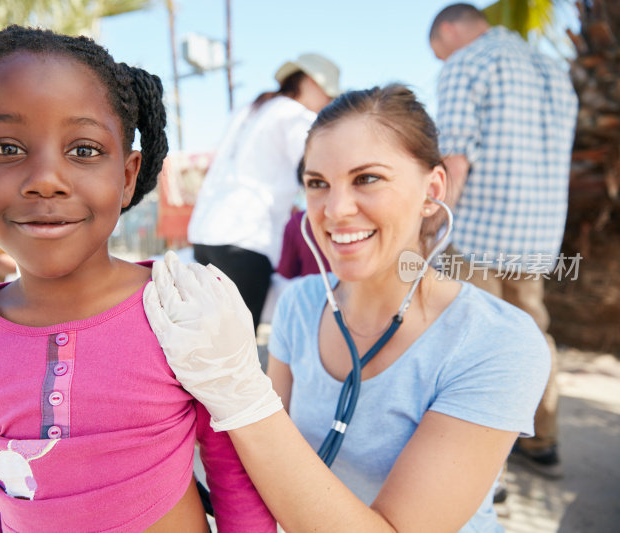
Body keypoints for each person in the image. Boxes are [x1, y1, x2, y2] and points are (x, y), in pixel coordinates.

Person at [144, 85, 551, 532]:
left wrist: (239, 391)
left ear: (432, 190)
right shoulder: (300, 305)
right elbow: (261, 461)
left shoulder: (499, 343)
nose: (335, 210)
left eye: (367, 178)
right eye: (317, 184)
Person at [0, 26, 274, 533]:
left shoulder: (182, 307)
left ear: (129, 174)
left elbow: (233, 474)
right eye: (5, 148)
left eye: (84, 150)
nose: (45, 178)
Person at [430, 3, 578, 478]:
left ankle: (480, 471)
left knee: (469, 342)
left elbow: (454, 157)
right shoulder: (554, 70)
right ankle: (542, 442)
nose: (441, 60)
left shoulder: (468, 61)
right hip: (536, 235)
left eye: (438, 51)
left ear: (450, 31)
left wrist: (432, 223)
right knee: (533, 333)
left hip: (477, 231)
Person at [187, 53, 340, 330]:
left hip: (204, 234)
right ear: (307, 81)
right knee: (236, 349)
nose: (329, 103)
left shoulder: (250, 109)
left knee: (204, 339)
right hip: (245, 240)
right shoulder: (296, 115)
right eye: (329, 94)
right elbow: (315, 169)